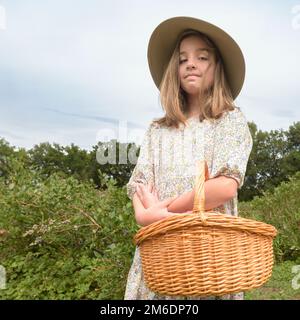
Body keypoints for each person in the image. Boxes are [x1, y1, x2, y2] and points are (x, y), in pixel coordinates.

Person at [123, 16, 253, 300]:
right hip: (159, 259)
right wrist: (144, 215)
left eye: (201, 57)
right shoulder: (158, 130)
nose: (190, 64)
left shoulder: (229, 120)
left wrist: (165, 213)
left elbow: (224, 186)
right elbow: (140, 185)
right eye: (183, 59)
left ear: (217, 67)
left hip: (208, 260)